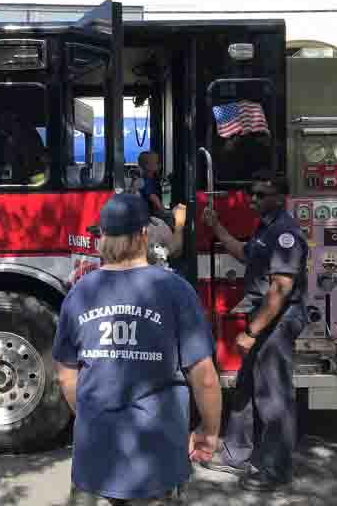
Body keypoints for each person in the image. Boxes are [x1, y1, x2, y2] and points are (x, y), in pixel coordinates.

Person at [53, 193, 222, 505]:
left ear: (102, 238)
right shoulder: (175, 290)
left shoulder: (79, 294)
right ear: (144, 235)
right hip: (155, 461)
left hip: (95, 462)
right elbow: (205, 376)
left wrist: (94, 416)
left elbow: (66, 375)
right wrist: (209, 433)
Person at [201, 169, 307, 491]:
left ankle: (276, 471)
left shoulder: (285, 234)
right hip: (264, 316)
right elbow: (243, 253)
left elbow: (280, 289)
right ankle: (235, 453)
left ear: (280, 197)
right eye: (252, 193)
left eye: (262, 194)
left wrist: (252, 331)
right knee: (245, 388)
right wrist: (216, 226)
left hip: (277, 318)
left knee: (273, 397)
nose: (254, 199)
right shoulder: (265, 229)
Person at [137, 151, 165, 218]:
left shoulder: (145, 179)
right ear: (147, 166)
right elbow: (153, 197)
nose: (160, 165)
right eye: (157, 163)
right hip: (150, 214)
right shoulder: (149, 180)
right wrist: (163, 210)